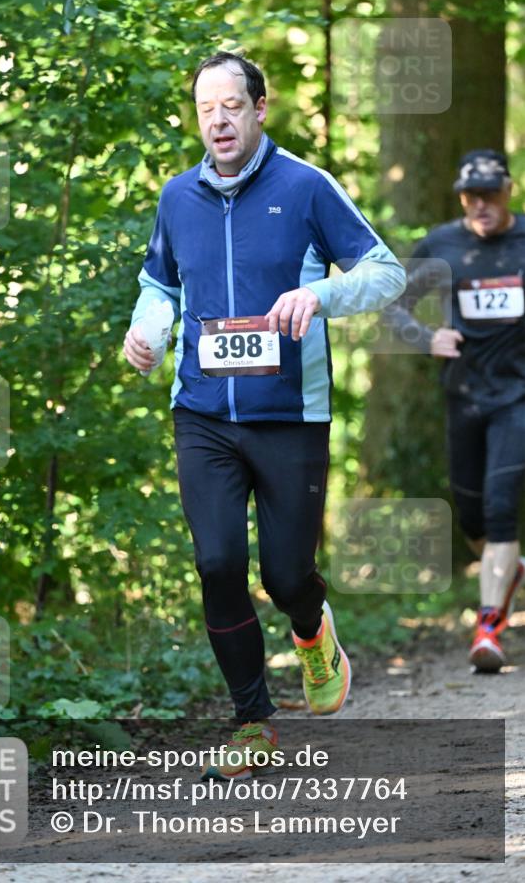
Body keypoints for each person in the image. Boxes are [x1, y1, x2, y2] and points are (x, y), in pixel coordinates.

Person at [123, 51, 406, 780]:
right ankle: (251, 721)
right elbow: (159, 285)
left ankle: (312, 633)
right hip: (202, 415)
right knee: (217, 564)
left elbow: (385, 270)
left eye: (230, 106)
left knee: (285, 577)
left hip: (290, 416)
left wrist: (322, 297)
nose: (216, 120)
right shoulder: (176, 197)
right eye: (204, 109)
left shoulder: (305, 187)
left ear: (259, 108)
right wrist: (148, 332)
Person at [386, 149, 525, 672]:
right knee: (471, 516)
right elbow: (393, 305)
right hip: (464, 398)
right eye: (471, 195)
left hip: (518, 398)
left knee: (500, 504)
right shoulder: (442, 245)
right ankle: (507, 572)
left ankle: (489, 625)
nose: (481, 204)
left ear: (508, 189)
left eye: (490, 192)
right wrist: (427, 338)